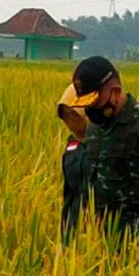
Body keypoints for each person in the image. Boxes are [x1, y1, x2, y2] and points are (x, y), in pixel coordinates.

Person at [67, 56, 139, 239]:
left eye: (95, 102)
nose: (91, 109)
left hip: (138, 235)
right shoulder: (95, 127)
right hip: (98, 235)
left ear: (115, 92)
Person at [57, 84, 89, 241]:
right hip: (73, 221)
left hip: (96, 226)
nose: (70, 120)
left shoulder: (106, 143)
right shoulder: (71, 144)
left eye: (74, 114)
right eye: (65, 114)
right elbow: (68, 191)